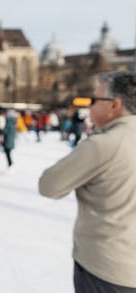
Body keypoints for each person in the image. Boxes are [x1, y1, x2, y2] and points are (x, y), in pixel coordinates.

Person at [38, 70, 136, 292]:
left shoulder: (104, 144)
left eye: (94, 100)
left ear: (115, 105)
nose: (89, 107)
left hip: (107, 267)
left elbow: (49, 185)